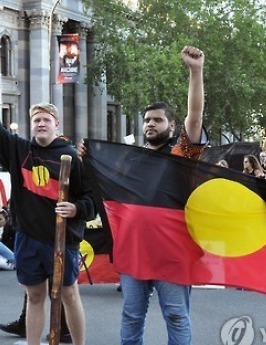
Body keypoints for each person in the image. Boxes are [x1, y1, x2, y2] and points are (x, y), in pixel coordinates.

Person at [78, 45, 205, 345]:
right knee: (132, 317)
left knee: (176, 316)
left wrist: (195, 72)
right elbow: (106, 195)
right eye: (147, 120)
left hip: (172, 255)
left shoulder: (181, 155)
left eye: (157, 120)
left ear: (171, 126)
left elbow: (196, 117)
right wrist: (89, 158)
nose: (150, 124)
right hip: (133, 253)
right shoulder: (130, 160)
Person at [0, 68, 95, 345]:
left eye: (46, 120)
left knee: (68, 295)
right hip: (28, 238)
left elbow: (91, 200)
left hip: (62, 240)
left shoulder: (72, 158)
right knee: (35, 295)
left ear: (56, 125)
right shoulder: (19, 150)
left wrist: (76, 209)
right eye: (36, 120)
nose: (41, 124)